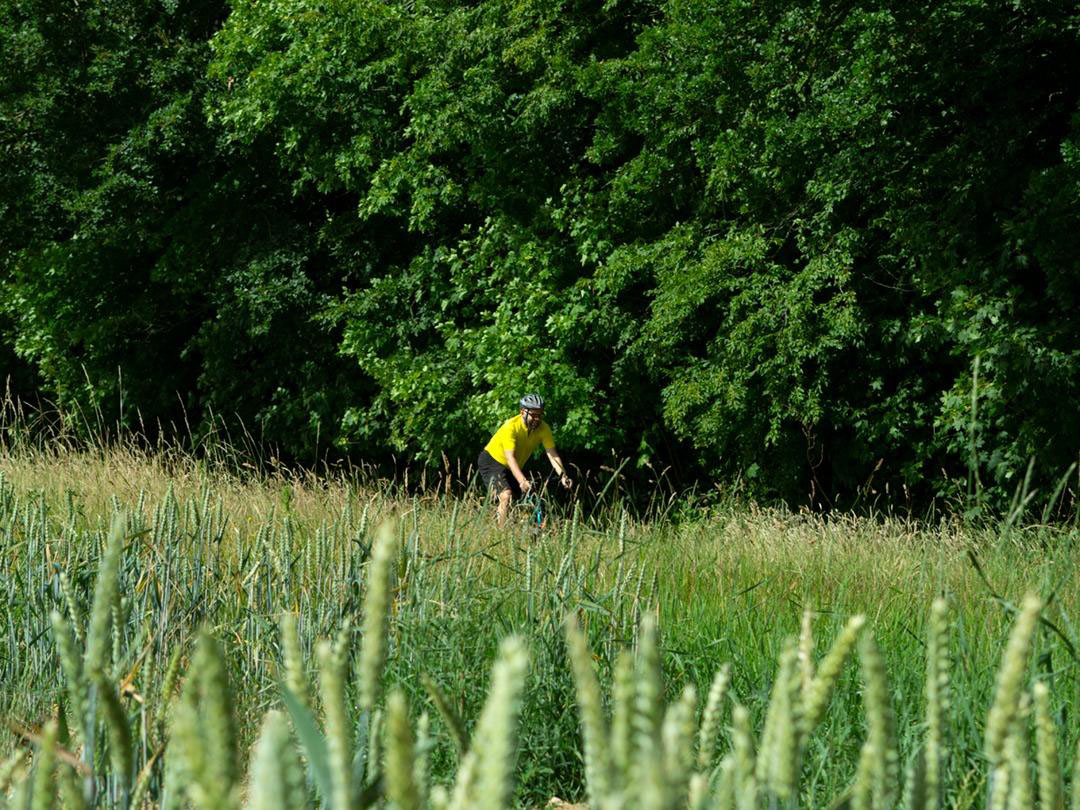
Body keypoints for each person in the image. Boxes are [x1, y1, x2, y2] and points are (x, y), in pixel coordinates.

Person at [477, 394, 572, 526]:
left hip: (513, 467)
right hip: (493, 460)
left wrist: (563, 475)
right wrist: (522, 481)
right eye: (533, 415)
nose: (537, 419)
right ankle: (500, 534)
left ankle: (497, 523)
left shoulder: (544, 428)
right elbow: (510, 457)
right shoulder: (510, 427)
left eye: (540, 415)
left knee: (521, 500)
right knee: (506, 495)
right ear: (522, 412)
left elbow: (552, 454)